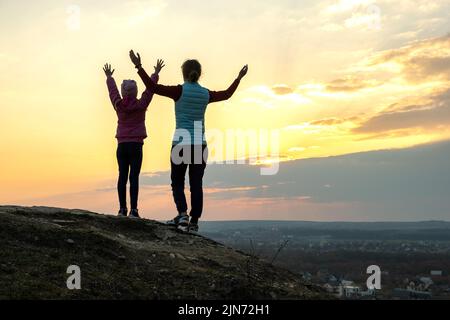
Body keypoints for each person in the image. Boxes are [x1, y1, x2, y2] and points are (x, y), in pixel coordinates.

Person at [129, 50, 248, 232]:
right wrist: (238, 78)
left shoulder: (179, 91)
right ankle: (193, 222)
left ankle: (182, 214)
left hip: (181, 143)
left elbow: (152, 88)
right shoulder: (205, 94)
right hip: (200, 144)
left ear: (183, 73)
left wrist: (138, 66)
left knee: (177, 181)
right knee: (196, 184)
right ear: (199, 74)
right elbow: (227, 94)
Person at [103, 60, 165, 218]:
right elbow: (150, 91)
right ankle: (134, 210)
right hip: (136, 146)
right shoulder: (142, 104)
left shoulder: (118, 104)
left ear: (124, 93)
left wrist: (109, 77)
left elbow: (113, 93)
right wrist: (155, 74)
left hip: (122, 146)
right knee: (134, 177)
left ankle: (122, 209)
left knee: (122, 176)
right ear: (136, 92)